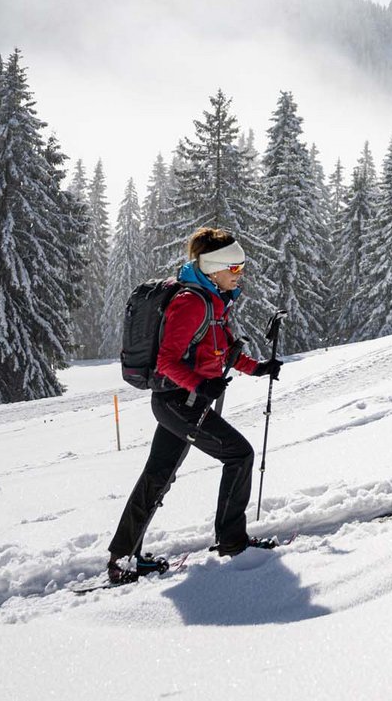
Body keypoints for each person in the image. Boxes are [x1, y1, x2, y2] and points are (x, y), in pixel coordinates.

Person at [107, 227, 281, 583]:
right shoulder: (192, 302)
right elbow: (167, 362)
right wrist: (201, 386)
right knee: (239, 455)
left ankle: (122, 558)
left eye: (241, 268)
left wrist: (258, 368)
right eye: (234, 268)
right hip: (178, 402)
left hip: (182, 401)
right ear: (214, 268)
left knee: (157, 476)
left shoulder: (214, 301)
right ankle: (232, 541)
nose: (240, 274)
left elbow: (223, 350)